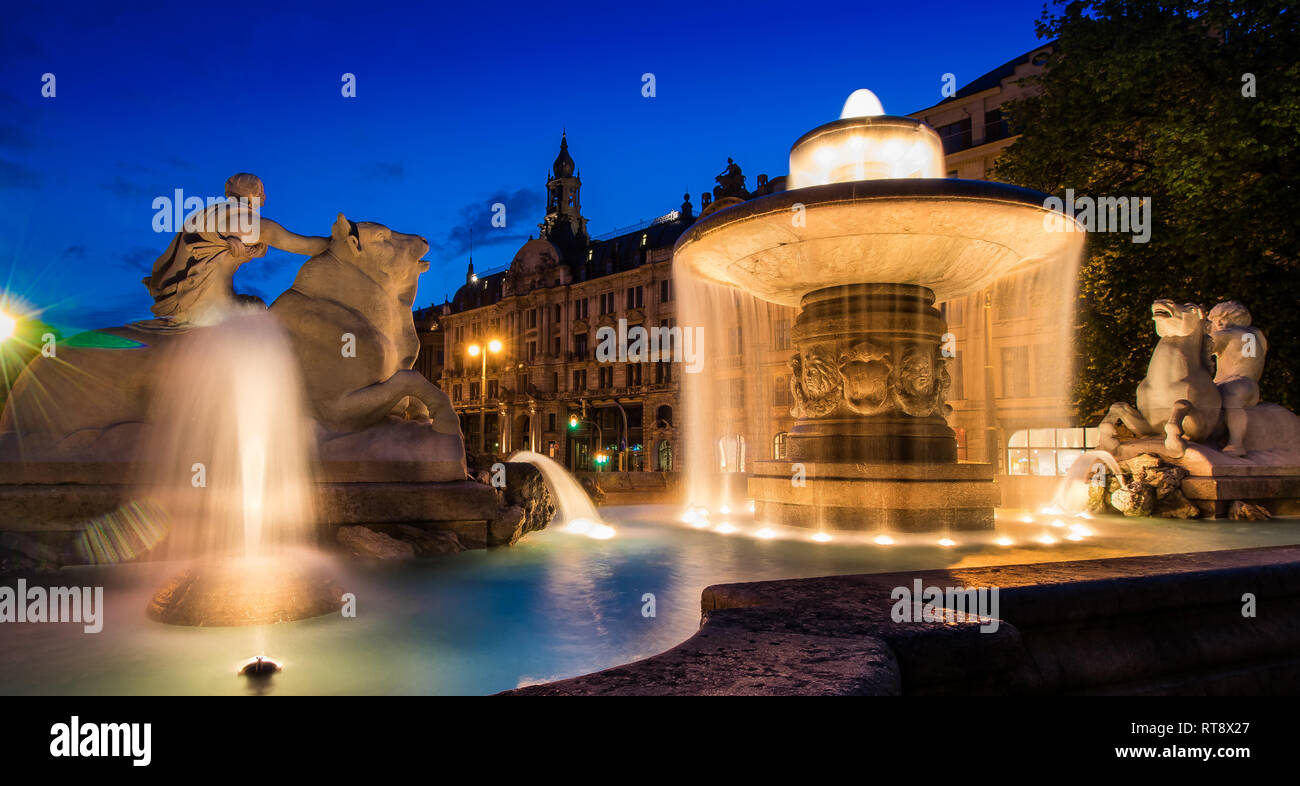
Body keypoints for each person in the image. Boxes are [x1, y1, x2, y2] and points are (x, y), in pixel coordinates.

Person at [143, 173, 329, 326]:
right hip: (206, 307)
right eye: (261, 191)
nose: (265, 196)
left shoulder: (207, 214)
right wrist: (340, 242)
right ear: (253, 194)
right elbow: (302, 245)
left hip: (185, 301)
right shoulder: (245, 222)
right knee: (258, 313)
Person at [1206, 300, 1267, 456]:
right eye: (1213, 320)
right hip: (1251, 386)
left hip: (1232, 383)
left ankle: (1236, 442)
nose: (1216, 323)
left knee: (1228, 396)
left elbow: (1199, 348)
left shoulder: (1226, 334)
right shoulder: (1256, 334)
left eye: (1218, 319)